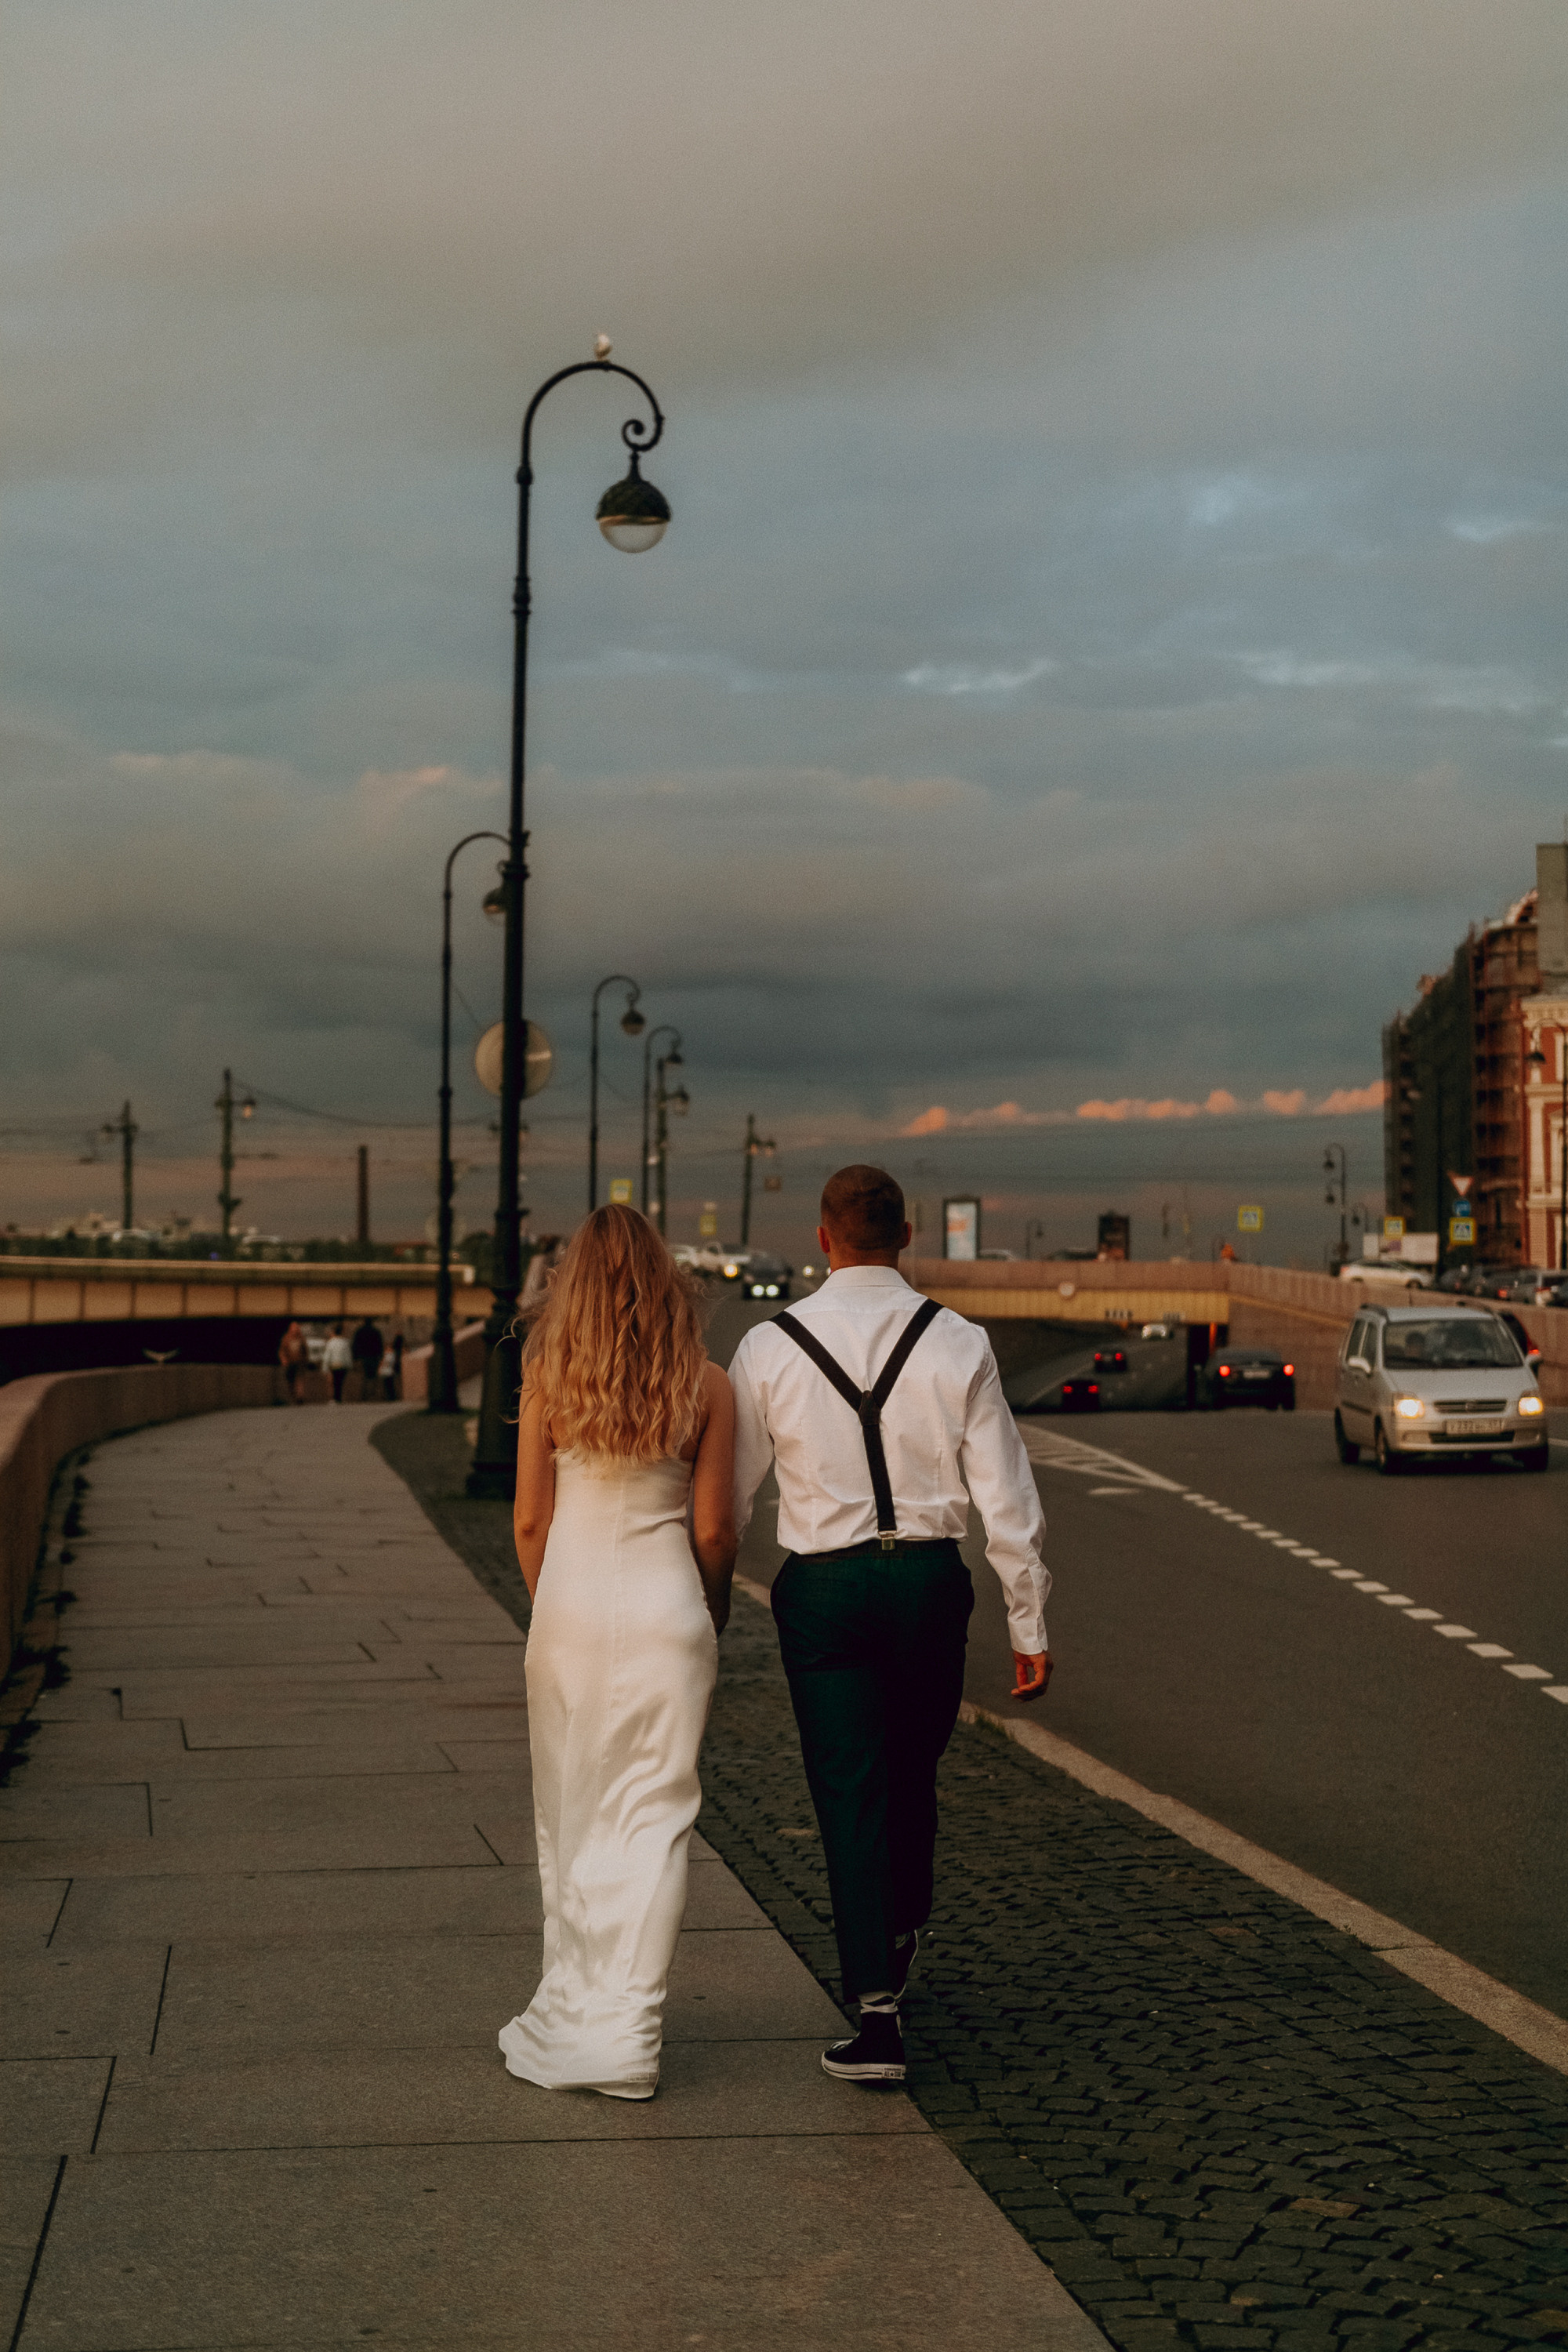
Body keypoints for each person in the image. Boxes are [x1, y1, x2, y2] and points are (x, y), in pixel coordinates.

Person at [730, 1163, 1051, 2087]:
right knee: (912, 1769)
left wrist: (702, 1598)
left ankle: (876, 2011)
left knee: (849, 1787)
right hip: (925, 1583)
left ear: (821, 1239)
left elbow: (735, 1495)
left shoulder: (769, 1345)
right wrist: (1027, 1625)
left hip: (822, 1592)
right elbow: (1008, 1499)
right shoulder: (957, 1342)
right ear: (906, 1236)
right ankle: (901, 1925)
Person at [499, 1204, 736, 2102]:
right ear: (667, 1281)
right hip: (667, 1608)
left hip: (569, 1605)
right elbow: (713, 1529)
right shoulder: (707, 1385)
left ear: (573, 1287)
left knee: (570, 1815)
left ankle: (577, 2006)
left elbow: (529, 1520)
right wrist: (707, 1615)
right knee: (657, 1820)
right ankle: (632, 2030)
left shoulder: (546, 1377)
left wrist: (552, 1605)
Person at [351, 1315, 383, 1400]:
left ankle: (364, 1395)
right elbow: (380, 1345)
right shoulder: (376, 1332)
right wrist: (381, 1357)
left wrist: (355, 1358)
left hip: (363, 1357)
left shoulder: (359, 1332)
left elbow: (355, 1345)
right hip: (374, 1357)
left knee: (364, 1377)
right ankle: (372, 1395)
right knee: (373, 1377)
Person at [321, 1323, 354, 1404]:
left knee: (334, 1382)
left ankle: (335, 1398)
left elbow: (327, 1355)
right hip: (343, 1365)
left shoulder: (331, 1342)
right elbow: (348, 1355)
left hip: (334, 1365)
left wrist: (325, 1367)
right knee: (340, 1382)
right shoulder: (345, 1342)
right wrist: (349, 1365)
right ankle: (339, 1398)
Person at [278, 1320, 308, 1405]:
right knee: (290, 1381)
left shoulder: (301, 1338)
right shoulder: (286, 1338)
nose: (295, 1329)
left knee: (299, 1380)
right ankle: (293, 1397)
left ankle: (300, 1397)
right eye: (294, 1327)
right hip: (290, 1363)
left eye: (296, 1327)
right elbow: (282, 1351)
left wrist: (305, 1360)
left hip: (299, 1363)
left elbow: (305, 1351)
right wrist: (284, 1359)